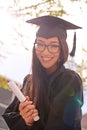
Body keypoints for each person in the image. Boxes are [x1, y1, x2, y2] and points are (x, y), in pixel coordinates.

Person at [2, 15, 83, 130]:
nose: (45, 52)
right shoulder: (29, 81)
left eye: (53, 45)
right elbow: (12, 118)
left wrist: (32, 124)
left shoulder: (69, 80)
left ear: (62, 49)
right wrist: (26, 121)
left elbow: (63, 126)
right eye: (40, 44)